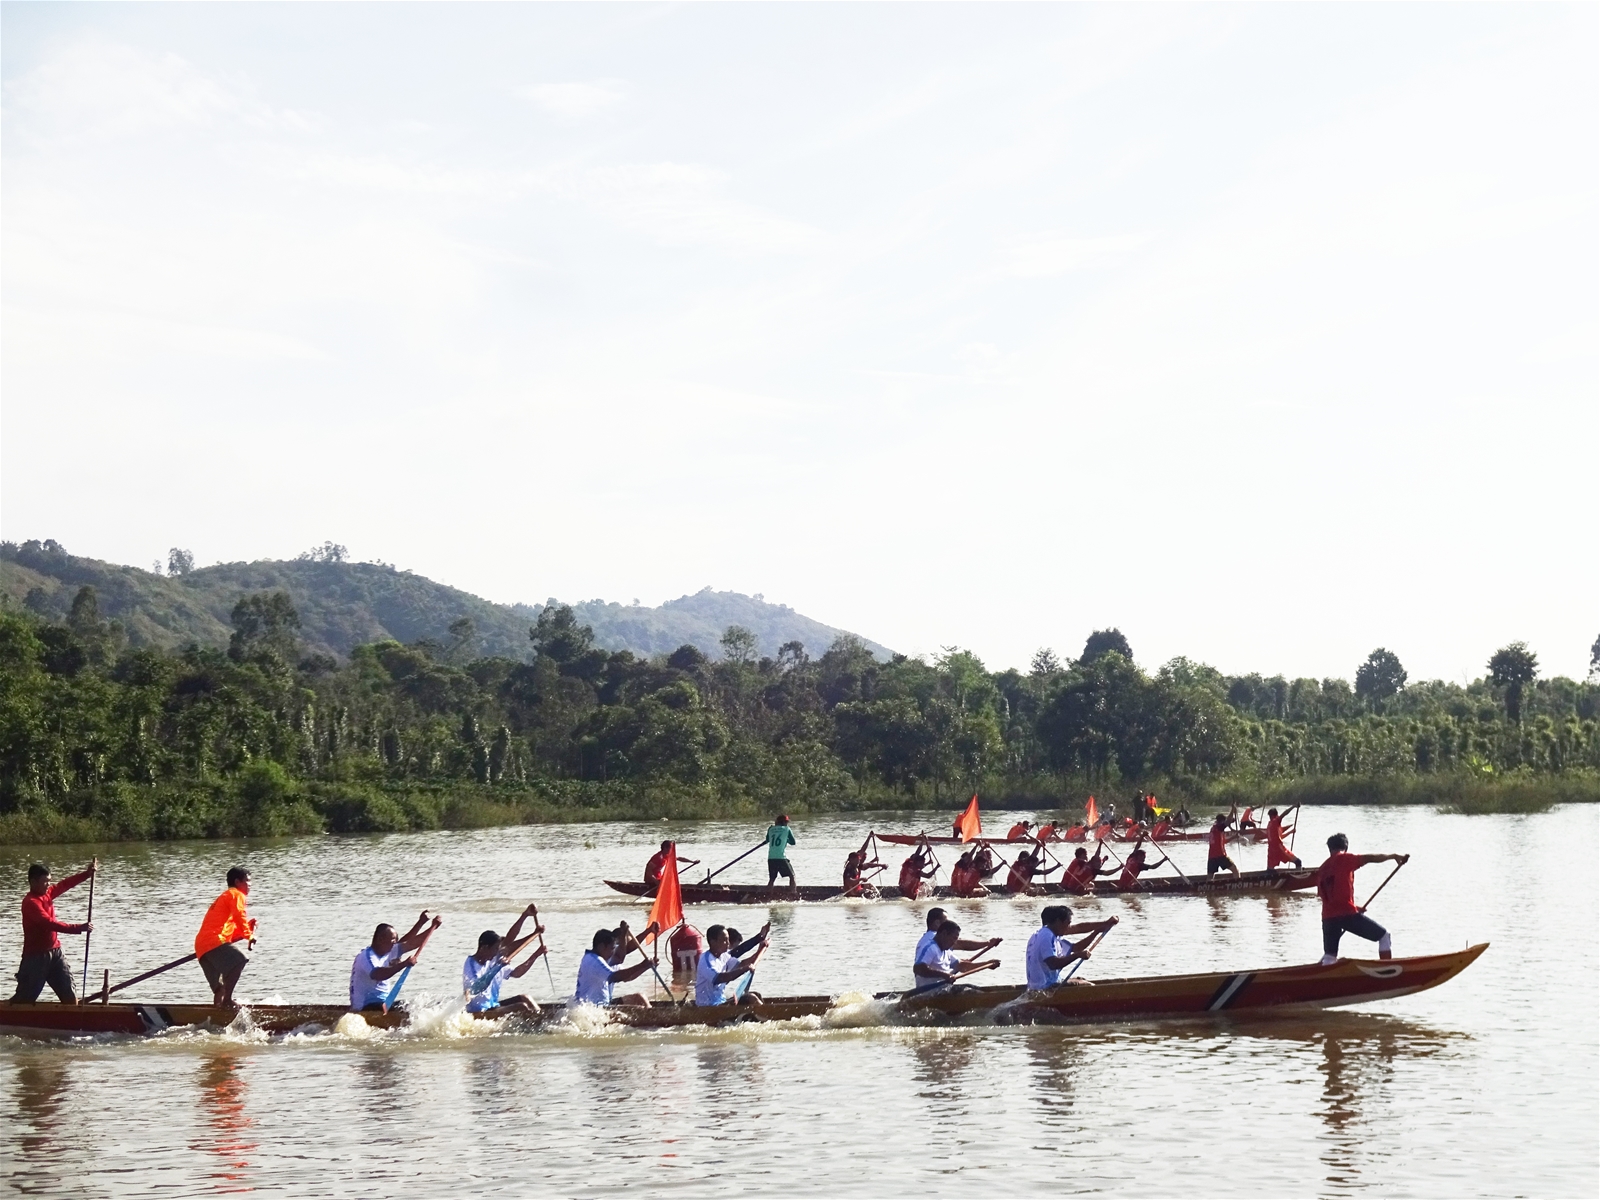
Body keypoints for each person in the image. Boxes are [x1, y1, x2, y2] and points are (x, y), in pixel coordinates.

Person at [11, 860, 96, 1004]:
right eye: (45, 882)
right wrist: (78, 927)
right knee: (23, 1000)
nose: (48, 885)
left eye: (49, 881)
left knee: (70, 998)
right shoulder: (30, 902)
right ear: (33, 882)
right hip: (35, 958)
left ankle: (72, 1021)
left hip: (56, 954)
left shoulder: (47, 894)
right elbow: (48, 923)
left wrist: (86, 875)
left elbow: (64, 884)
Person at [1318, 835, 1408, 964]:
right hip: (1346, 915)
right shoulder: (1344, 858)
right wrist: (1392, 856)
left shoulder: (1322, 868)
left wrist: (1355, 907)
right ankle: (1387, 969)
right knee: (1384, 936)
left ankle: (1324, 979)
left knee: (1330, 956)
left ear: (1329, 848)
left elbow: (1327, 896)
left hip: (1327, 918)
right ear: (1346, 847)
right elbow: (1370, 858)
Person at [463, 904, 548, 1017]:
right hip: (480, 1012)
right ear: (484, 948)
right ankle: (538, 1024)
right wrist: (498, 967)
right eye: (494, 950)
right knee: (521, 1007)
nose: (496, 953)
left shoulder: (492, 959)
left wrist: (535, 954)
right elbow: (477, 988)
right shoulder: (471, 964)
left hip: (494, 1005)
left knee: (525, 998)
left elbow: (517, 973)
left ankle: (541, 1020)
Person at [349, 911, 442, 1013]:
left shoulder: (388, 951)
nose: (395, 943)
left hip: (383, 1004)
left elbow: (411, 943)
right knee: (401, 1010)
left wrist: (432, 928)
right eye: (393, 940)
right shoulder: (366, 957)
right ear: (381, 939)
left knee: (410, 1006)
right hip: (365, 1007)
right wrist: (404, 964)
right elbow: (378, 974)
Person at [195, 867, 258, 1007]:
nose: (250, 885)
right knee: (239, 960)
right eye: (247, 881)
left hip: (202, 946)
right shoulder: (236, 894)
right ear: (237, 882)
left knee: (220, 988)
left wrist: (246, 929)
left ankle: (217, 1018)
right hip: (213, 942)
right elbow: (239, 916)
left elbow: (228, 929)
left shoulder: (225, 897)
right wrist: (249, 935)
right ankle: (228, 1001)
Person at [1024, 906, 1118, 990]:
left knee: (1080, 979)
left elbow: (1077, 947)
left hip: (1041, 984)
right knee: (1090, 986)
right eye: (1067, 923)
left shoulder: (1047, 934)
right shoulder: (1046, 936)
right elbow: (1053, 964)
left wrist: (1097, 931)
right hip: (1045, 987)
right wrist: (1076, 956)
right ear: (1058, 921)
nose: (1069, 927)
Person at [574, 928, 655, 1007]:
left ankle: (652, 1015)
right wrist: (642, 965)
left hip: (606, 1004)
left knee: (639, 997)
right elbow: (615, 977)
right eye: (612, 948)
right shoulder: (593, 961)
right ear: (602, 946)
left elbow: (628, 976)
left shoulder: (607, 960)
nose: (613, 952)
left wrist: (647, 966)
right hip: (592, 1007)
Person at [912, 919, 998, 992]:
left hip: (943, 989)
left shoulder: (946, 951)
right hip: (927, 992)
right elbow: (918, 969)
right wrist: (944, 975)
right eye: (954, 938)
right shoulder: (930, 948)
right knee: (969, 990)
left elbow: (962, 966)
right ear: (944, 934)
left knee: (973, 988)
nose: (955, 942)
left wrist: (987, 964)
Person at [695, 923, 768, 1006]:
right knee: (751, 998)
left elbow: (742, 964)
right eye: (724, 940)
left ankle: (763, 1015)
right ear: (713, 942)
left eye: (728, 940)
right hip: (707, 1007)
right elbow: (720, 978)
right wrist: (745, 969)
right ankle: (769, 1016)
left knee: (757, 995)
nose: (728, 943)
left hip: (720, 1002)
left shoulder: (724, 956)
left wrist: (760, 950)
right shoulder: (706, 960)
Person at [914, 908, 1001, 965]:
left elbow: (955, 964)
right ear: (937, 923)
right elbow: (961, 944)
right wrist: (987, 943)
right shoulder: (934, 939)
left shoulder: (929, 939)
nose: (954, 941)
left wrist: (986, 964)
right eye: (946, 921)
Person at [766, 814, 798, 888]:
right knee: (792, 876)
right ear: (784, 822)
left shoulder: (770, 829)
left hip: (771, 858)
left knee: (772, 879)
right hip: (781, 858)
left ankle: (767, 895)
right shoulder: (787, 829)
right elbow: (793, 842)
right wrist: (786, 839)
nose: (787, 824)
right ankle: (793, 893)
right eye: (786, 822)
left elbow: (767, 840)